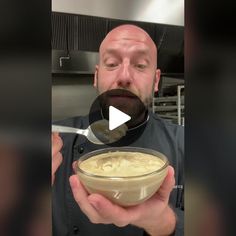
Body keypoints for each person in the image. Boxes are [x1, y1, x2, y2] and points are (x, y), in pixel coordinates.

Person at [52, 24, 184, 236]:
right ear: (96, 77)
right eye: (112, 64)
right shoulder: (57, 142)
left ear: (156, 80)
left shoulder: (186, 145)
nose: (124, 76)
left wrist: (161, 222)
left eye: (140, 65)